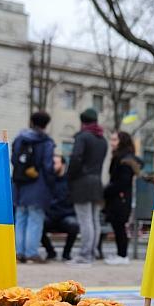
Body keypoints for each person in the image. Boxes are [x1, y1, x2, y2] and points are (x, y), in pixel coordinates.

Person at [11, 111, 55, 264]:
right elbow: (48, 166)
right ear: (46, 124)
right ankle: (31, 253)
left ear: (31, 121)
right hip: (38, 186)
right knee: (35, 219)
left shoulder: (19, 139)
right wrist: (50, 184)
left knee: (21, 217)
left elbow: (14, 160)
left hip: (20, 185)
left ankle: (18, 252)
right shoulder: (46, 142)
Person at [67, 107, 107, 266]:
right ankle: (92, 252)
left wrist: (69, 176)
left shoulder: (83, 137)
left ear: (82, 122)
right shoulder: (102, 140)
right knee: (94, 220)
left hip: (82, 182)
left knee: (85, 220)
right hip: (97, 182)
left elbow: (76, 158)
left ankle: (84, 255)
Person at [104, 131, 142, 265]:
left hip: (120, 198)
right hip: (120, 197)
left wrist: (107, 190)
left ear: (122, 142)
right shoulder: (123, 158)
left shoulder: (124, 159)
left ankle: (122, 255)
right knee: (118, 226)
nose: (112, 143)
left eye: (115, 140)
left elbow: (122, 181)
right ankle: (121, 254)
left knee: (119, 226)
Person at [41, 155, 79, 261]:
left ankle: (66, 253)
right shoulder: (48, 181)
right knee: (38, 224)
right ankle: (50, 252)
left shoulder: (70, 182)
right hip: (50, 215)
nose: (52, 166)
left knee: (74, 225)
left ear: (63, 165)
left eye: (55, 163)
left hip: (66, 215)